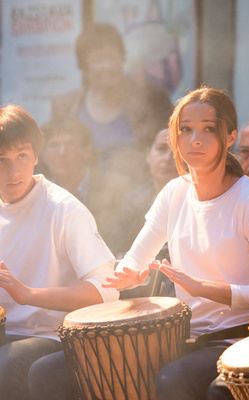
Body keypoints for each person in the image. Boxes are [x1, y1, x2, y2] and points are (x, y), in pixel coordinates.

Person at [103, 87, 249, 400]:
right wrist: (128, 274)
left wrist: (205, 288)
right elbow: (136, 256)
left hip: (243, 336)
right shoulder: (175, 192)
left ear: (230, 137)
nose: (194, 139)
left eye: (208, 129)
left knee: (173, 379)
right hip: (185, 335)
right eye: (185, 129)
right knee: (104, 368)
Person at [0, 105, 119, 400]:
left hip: (52, 338)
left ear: (37, 156)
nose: (13, 171)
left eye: (22, 156)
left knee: (6, 365)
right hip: (5, 334)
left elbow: (106, 290)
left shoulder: (64, 209)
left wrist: (28, 295)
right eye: (1, 160)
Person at [52, 22, 173, 185]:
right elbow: (55, 160)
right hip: (83, 197)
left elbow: (172, 147)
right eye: (98, 60)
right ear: (84, 68)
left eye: (112, 57)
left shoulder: (151, 97)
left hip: (141, 196)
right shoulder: (66, 107)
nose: (107, 66)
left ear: (122, 58)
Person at [40, 118, 127, 255]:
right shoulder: (38, 195)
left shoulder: (117, 189)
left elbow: (121, 242)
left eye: (70, 144)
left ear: (87, 149)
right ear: (43, 155)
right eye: (53, 145)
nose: (61, 152)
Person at [111, 128, 178, 259]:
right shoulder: (132, 202)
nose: (167, 158)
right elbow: (116, 250)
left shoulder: (197, 202)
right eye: (161, 148)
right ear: (148, 154)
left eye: (176, 153)